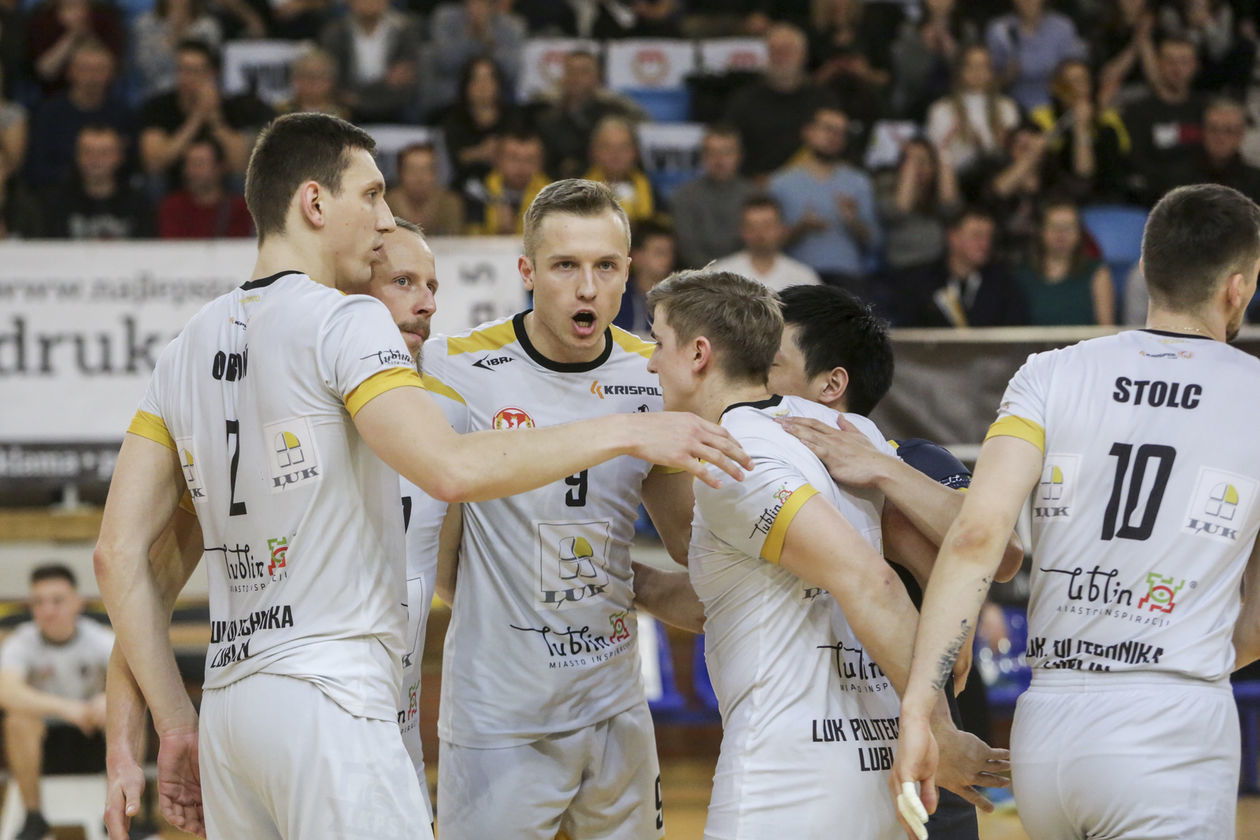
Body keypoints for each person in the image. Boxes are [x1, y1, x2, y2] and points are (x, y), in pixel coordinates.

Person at [93, 113, 749, 839]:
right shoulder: (359, 334)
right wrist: (627, 429)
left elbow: (125, 560)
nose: (384, 222)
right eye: (373, 199)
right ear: (315, 203)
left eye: (428, 284)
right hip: (340, 698)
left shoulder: (189, 347)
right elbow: (451, 470)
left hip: (236, 704)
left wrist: (162, 725)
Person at [892, 182, 1260, 840]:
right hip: (1170, 719)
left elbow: (976, 535)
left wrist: (921, 707)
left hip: (1048, 726)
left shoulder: (1049, 372)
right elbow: (1255, 624)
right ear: (1238, 288)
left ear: (1145, 268)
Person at [102, 216, 443, 839]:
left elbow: (127, 572)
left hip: (377, 732)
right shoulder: (320, 354)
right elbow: (142, 576)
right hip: (335, 710)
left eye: (431, 285)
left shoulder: (455, 393)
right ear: (350, 288)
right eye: (401, 281)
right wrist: (126, 741)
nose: (425, 303)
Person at [642, 270, 1008, 840]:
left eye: (658, 343)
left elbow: (874, 583)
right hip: (880, 777)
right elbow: (938, 567)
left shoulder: (737, 458)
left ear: (698, 354)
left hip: (787, 784)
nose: (649, 364)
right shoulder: (847, 429)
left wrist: (938, 728)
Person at [429, 179, 701, 840]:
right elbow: (440, 559)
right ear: (527, 272)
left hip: (615, 706)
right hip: (500, 716)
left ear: (629, 272)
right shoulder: (456, 366)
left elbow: (687, 541)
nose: (587, 289)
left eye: (605, 266)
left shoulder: (650, 374)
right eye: (565, 266)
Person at [0, 565, 114, 840]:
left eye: (57, 601)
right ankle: (34, 816)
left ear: (78, 603)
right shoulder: (22, 641)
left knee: (126, 713)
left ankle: (122, 812)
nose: (47, 610)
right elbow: (6, 691)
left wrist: (109, 699)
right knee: (18, 719)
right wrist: (67, 709)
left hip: (93, 736)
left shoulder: (99, 638)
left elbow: (136, 681)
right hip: (43, 743)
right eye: (38, 602)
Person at [768, 105, 881, 291]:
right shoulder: (779, 183)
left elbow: (875, 241)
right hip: (796, 277)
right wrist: (800, 228)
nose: (834, 137)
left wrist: (853, 221)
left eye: (841, 132)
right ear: (807, 131)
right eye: (828, 129)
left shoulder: (858, 181)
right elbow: (767, 241)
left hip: (847, 277)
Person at [884, 206, 1027, 328]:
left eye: (989, 237)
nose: (985, 244)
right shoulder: (919, 282)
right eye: (977, 235)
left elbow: (1015, 332)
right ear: (953, 237)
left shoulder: (1003, 284)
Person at [44, 124, 155, 240]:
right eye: (87, 151)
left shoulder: (140, 204)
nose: (95, 158)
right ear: (76, 156)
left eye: (104, 152)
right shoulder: (55, 203)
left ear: (120, 156)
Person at [1014, 200, 1114, 326]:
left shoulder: (1098, 273)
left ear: (1079, 233)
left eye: (1069, 227)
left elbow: (1106, 329)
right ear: (1041, 231)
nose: (1061, 234)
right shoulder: (1022, 275)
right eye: (1054, 226)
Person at [318, 0, 420, 123]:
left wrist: (361, 99)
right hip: (347, 104)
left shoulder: (405, 30)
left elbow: (404, 76)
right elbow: (332, 74)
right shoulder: (334, 32)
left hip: (394, 104)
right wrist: (352, 97)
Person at [666, 124, 753, 269]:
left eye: (727, 152)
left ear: (740, 156)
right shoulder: (683, 196)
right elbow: (687, 248)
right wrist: (716, 275)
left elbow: (757, 244)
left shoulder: (755, 196)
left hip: (747, 274)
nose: (719, 159)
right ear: (703, 157)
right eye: (712, 153)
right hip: (698, 276)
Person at [709, 194, 821, 291]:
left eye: (767, 225)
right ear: (742, 230)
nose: (760, 233)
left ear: (781, 228)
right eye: (752, 226)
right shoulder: (720, 275)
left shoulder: (804, 278)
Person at [157, 137, 254, 238]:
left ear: (219, 168)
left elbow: (239, 245)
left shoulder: (239, 209)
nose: (192, 171)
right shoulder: (172, 207)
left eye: (199, 164)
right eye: (188, 164)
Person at [463, 129, 549, 235]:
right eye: (514, 158)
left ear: (541, 163)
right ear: (497, 159)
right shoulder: (478, 191)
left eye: (530, 160)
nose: (522, 166)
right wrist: (500, 233)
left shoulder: (552, 196)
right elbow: (469, 239)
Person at [387, 142, 466, 236]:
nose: (419, 178)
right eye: (412, 169)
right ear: (400, 173)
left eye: (426, 169)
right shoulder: (386, 204)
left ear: (435, 173)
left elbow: (455, 240)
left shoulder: (450, 203)